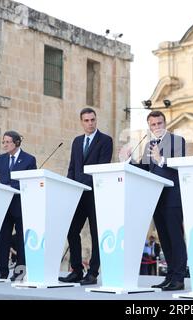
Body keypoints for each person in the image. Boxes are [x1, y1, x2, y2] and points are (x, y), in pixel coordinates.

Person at [127, 111, 187, 291]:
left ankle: (179, 278)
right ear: (149, 126)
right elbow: (145, 170)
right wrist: (129, 161)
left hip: (173, 197)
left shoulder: (177, 141)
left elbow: (179, 164)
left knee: (175, 238)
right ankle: (169, 276)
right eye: (153, 125)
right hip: (156, 198)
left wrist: (161, 160)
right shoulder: (149, 145)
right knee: (165, 239)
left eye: (159, 123)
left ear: (165, 123)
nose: (157, 127)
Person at [58, 107, 113, 286]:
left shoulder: (105, 140)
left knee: (97, 234)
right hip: (77, 194)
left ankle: (93, 273)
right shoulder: (76, 141)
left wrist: (83, 182)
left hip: (96, 194)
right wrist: (69, 188)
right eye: (86, 120)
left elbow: (102, 166)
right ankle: (76, 270)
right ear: (81, 122)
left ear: (96, 120)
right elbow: (72, 167)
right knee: (71, 229)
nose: (90, 123)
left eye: (92, 120)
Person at [0, 130, 37, 280]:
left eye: (7, 142)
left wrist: (12, 187)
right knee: (3, 238)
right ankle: (2, 272)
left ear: (16, 142)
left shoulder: (29, 159)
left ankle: (19, 272)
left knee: (21, 238)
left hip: (20, 205)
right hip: (3, 204)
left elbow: (31, 181)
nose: (4, 145)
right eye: (3, 142)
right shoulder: (1, 159)